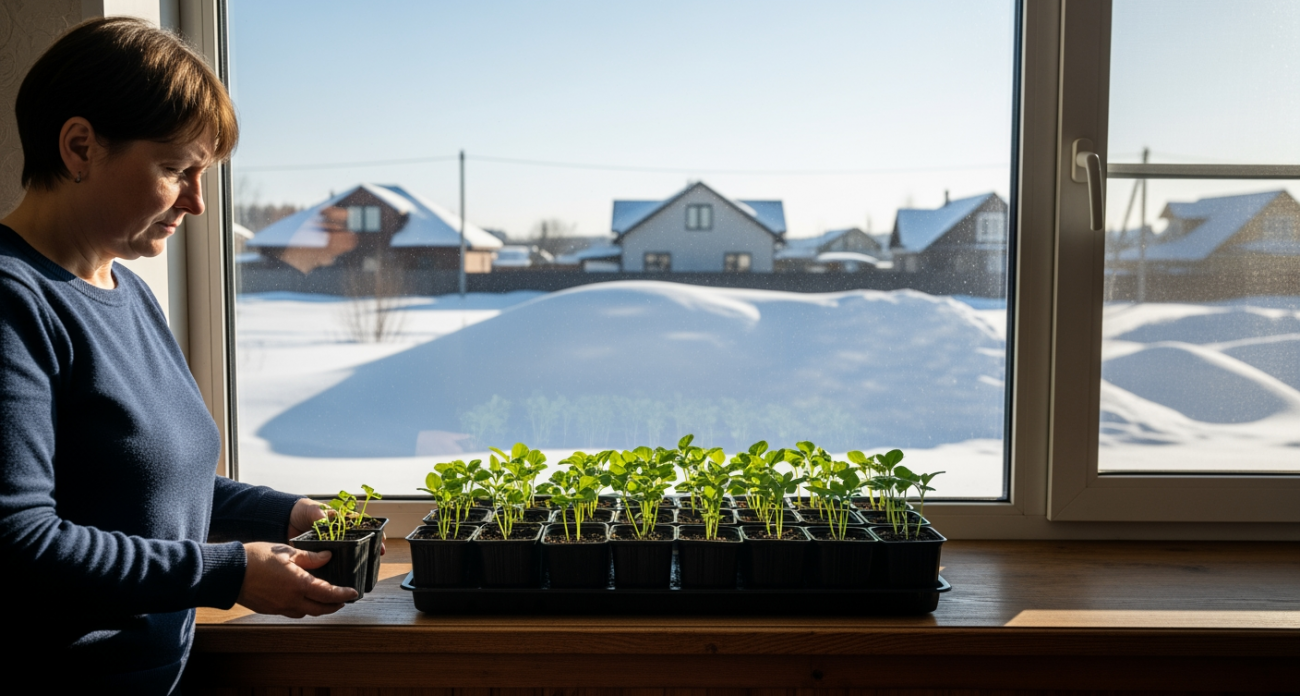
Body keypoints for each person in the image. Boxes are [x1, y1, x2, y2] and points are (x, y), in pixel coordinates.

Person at [0, 17, 360, 693]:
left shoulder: (125, 290)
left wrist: (283, 515)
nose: (196, 202)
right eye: (175, 169)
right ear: (81, 147)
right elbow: (18, 542)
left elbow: (139, 483)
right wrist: (228, 572)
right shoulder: (13, 302)